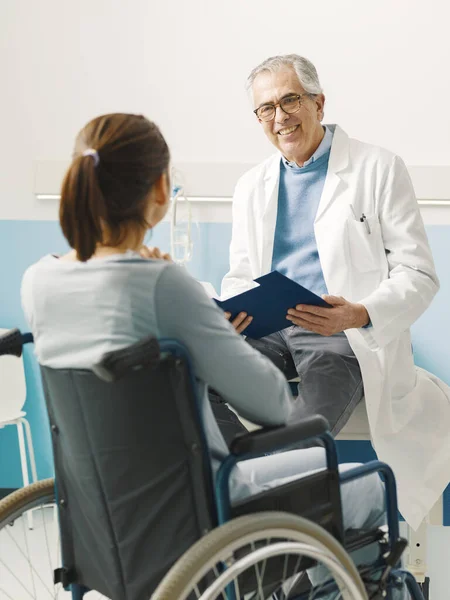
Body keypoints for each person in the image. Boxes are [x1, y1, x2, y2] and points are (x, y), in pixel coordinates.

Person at [21, 113, 405, 597]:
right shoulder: (166, 286)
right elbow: (269, 404)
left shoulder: (38, 282)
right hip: (206, 508)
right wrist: (204, 328)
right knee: (372, 484)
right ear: (161, 191)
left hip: (105, 514)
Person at [221, 54, 450, 529]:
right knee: (190, 377)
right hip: (267, 329)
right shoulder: (251, 186)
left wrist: (360, 313)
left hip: (337, 335)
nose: (280, 117)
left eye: (291, 100)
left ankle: (281, 535)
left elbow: (419, 274)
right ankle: (234, 488)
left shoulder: (379, 168)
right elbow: (240, 275)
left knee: (302, 432)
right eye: (267, 108)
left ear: (319, 103)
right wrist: (233, 312)